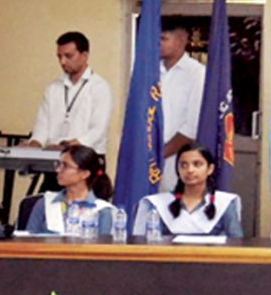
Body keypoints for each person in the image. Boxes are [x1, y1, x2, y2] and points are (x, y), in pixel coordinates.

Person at [24, 31, 113, 191]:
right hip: (56, 160)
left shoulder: (99, 87)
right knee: (47, 207)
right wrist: (36, 142)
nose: (63, 62)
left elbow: (97, 131)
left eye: (68, 56)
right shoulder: (53, 88)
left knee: (83, 210)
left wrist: (67, 146)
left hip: (86, 161)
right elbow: (42, 124)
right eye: (59, 57)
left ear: (84, 55)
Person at [133, 143, 243, 238]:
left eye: (197, 164)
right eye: (183, 165)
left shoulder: (223, 203)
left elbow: (237, 242)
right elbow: (146, 243)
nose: (189, 170)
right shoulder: (159, 204)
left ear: (210, 169)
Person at [159, 17, 206, 192]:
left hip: (179, 160)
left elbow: (191, 127)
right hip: (148, 161)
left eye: (163, 38)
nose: (158, 44)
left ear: (181, 40)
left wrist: (160, 154)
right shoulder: (151, 71)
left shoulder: (197, 74)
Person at [25, 145, 114, 236]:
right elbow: (27, 241)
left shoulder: (101, 210)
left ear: (84, 174)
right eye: (59, 164)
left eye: (65, 166)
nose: (58, 170)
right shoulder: (45, 202)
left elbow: (102, 247)